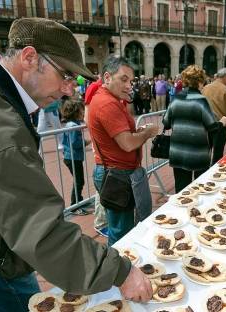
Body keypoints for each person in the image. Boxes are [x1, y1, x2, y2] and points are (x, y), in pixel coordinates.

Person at [0, 17, 152, 311]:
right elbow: (38, 226)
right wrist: (119, 272)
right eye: (64, 75)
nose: (68, 89)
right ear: (29, 58)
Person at [88, 56, 158, 246]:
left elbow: (123, 137)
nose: (129, 86)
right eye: (124, 79)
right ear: (108, 77)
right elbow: (127, 143)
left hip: (117, 172)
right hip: (117, 174)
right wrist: (148, 133)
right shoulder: (107, 103)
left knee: (121, 228)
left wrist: (138, 133)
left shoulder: (110, 100)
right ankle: (119, 272)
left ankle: (120, 267)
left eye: (131, 81)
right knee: (121, 234)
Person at [163, 65, 226, 192]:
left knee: (181, 191)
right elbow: (212, 127)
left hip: (178, 151)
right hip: (197, 152)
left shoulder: (176, 99)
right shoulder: (201, 100)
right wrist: (222, 122)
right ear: (199, 82)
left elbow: (166, 123)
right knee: (199, 189)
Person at [83, 77, 109, 237]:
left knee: (107, 184)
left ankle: (103, 219)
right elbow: (87, 117)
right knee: (104, 182)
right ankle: (100, 221)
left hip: (111, 141)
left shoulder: (117, 88)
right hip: (103, 144)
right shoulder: (94, 87)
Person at [61, 96, 90, 214]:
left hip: (73, 157)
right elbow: (74, 143)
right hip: (72, 157)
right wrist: (87, 142)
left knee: (79, 180)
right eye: (81, 110)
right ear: (75, 112)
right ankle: (74, 205)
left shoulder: (75, 123)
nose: (83, 112)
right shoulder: (73, 126)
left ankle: (79, 200)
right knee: (79, 181)